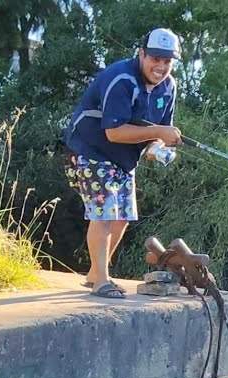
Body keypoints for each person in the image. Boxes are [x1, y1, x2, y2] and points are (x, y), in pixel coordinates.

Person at [62, 28, 184, 299]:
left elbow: (158, 130)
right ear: (141, 54)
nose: (161, 66)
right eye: (156, 59)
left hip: (124, 159)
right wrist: (158, 134)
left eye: (167, 61)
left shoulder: (169, 86)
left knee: (122, 217)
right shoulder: (122, 79)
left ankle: (95, 273)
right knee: (104, 213)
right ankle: (102, 281)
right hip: (90, 150)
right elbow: (114, 132)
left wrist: (156, 147)